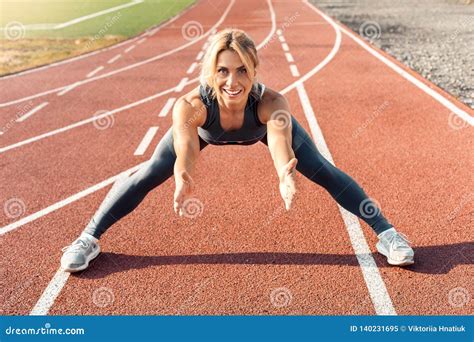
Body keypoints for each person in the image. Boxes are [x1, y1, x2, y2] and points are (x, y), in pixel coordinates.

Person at [61, 29, 414, 272]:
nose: (233, 81)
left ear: (255, 69)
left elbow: (278, 140)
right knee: (151, 171)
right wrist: (183, 174)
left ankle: (387, 235)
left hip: (258, 129)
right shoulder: (191, 105)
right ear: (211, 72)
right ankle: (87, 238)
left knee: (322, 169)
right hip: (205, 132)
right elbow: (186, 146)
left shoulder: (271, 102)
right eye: (223, 71)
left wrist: (283, 174)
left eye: (242, 70)